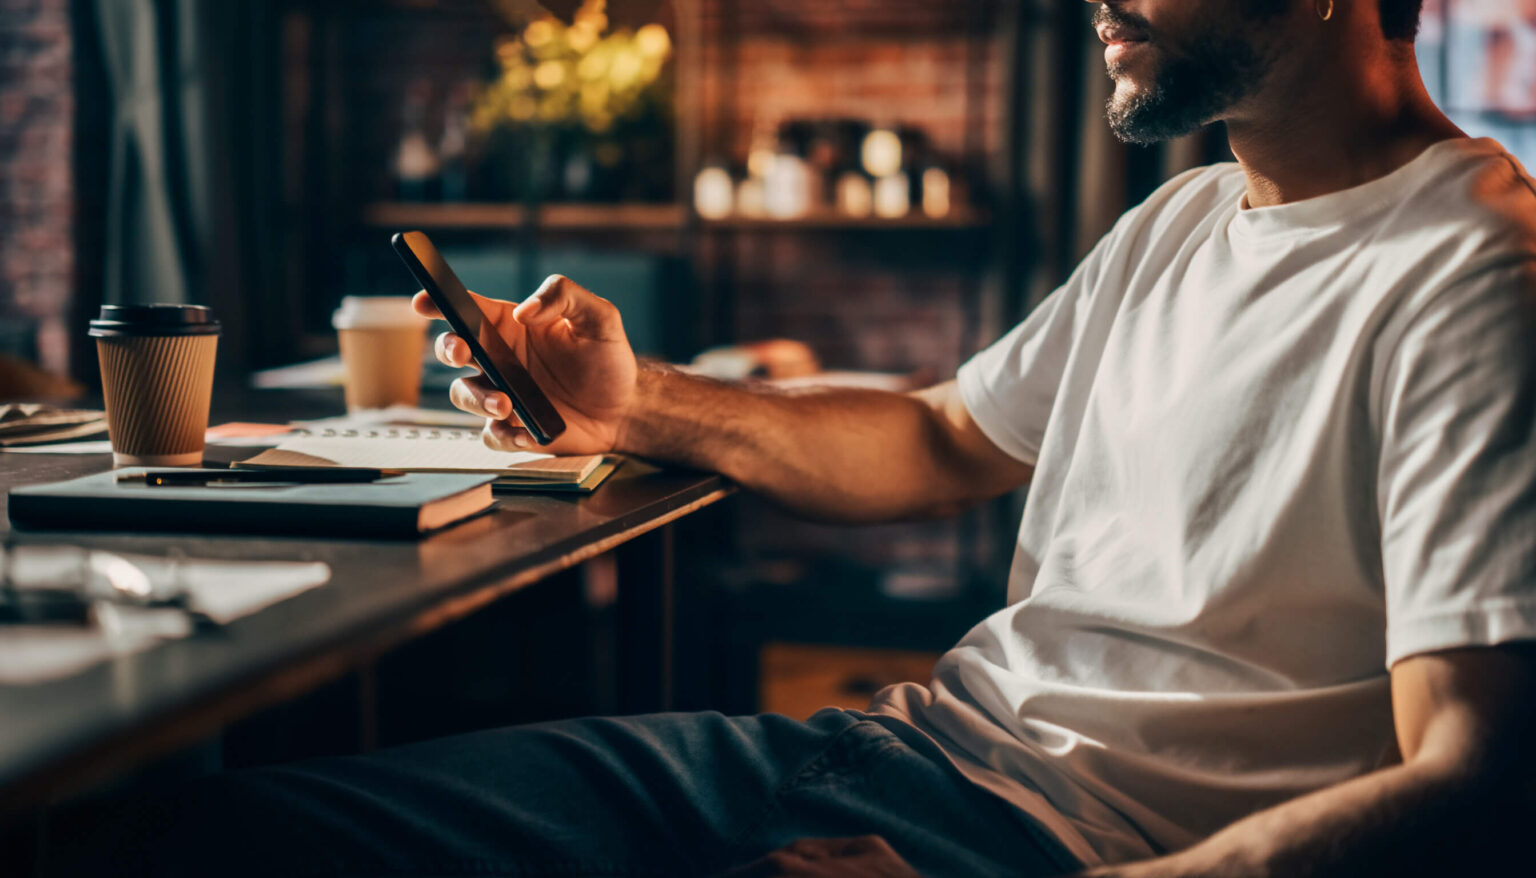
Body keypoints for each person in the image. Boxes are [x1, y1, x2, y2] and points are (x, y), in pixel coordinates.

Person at [49, 0, 1536, 875]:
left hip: (1025, 845)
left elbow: (1474, 778)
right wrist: (636, 401)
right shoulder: (1188, 219)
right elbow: (944, 432)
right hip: (903, 756)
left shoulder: (1475, 270)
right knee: (186, 834)